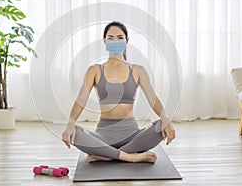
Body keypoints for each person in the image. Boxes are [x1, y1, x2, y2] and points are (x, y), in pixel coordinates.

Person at [62, 21, 175, 163]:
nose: (115, 41)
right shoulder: (95, 70)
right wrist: (70, 123)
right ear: (104, 41)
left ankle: (105, 154)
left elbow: (152, 98)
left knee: (160, 126)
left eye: (120, 38)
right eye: (110, 38)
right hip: (103, 136)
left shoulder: (137, 70)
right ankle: (129, 156)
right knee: (75, 132)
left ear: (127, 41)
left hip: (132, 136)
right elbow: (81, 99)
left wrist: (165, 118)